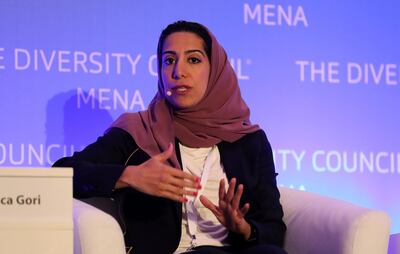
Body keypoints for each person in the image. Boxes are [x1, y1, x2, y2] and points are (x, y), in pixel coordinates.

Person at [53, 20, 287, 254]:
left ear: (215, 69)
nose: (178, 72)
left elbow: (274, 229)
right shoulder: (138, 130)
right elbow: (61, 174)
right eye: (169, 60)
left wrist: (244, 228)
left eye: (193, 60)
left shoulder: (249, 141)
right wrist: (128, 176)